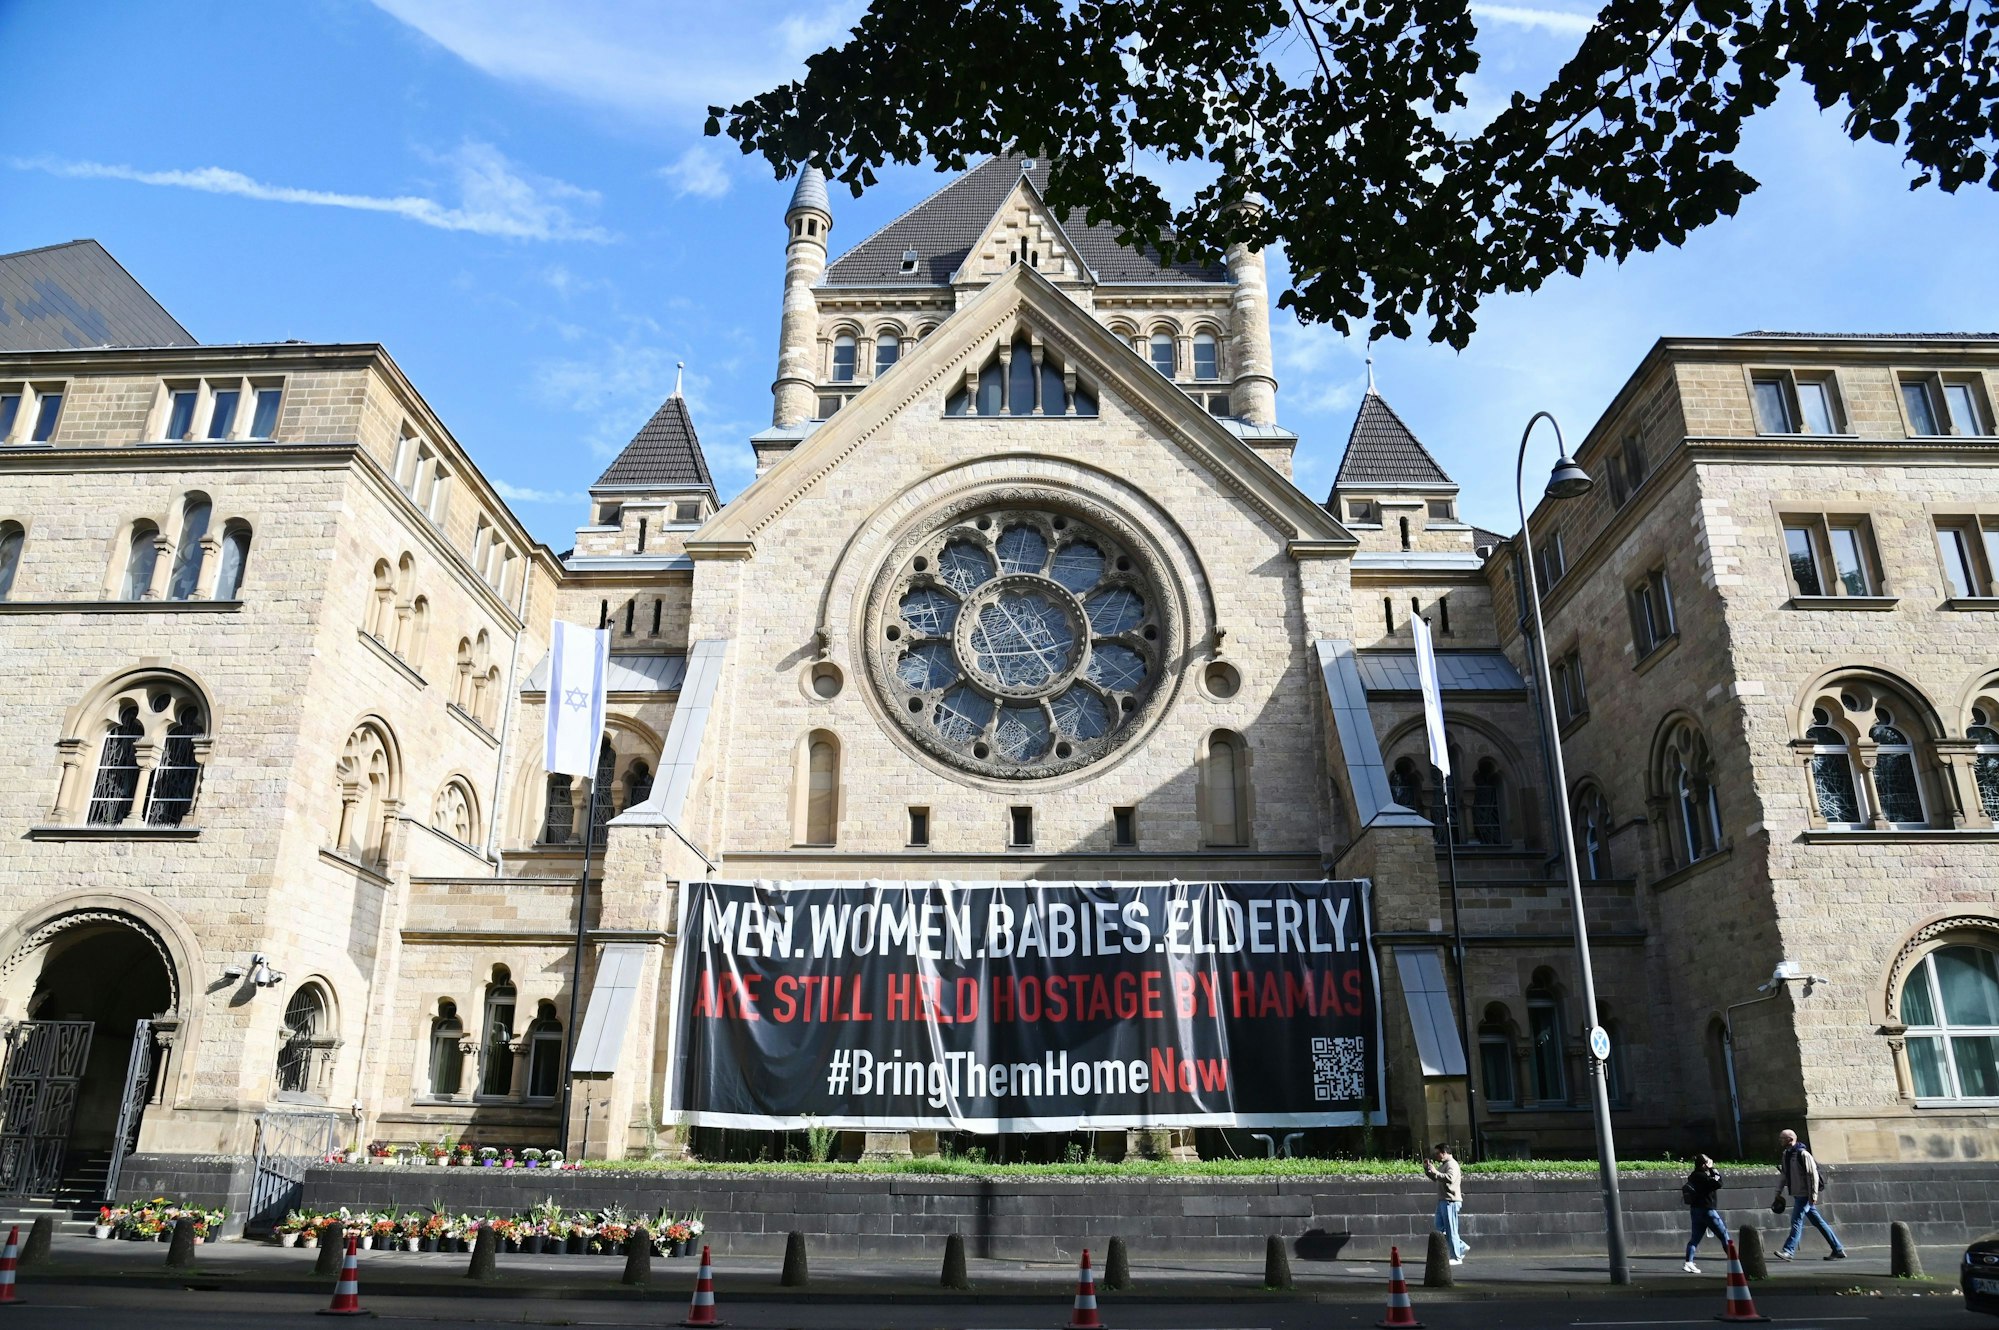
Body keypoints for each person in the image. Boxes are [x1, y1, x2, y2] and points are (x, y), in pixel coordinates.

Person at [1773, 1128, 1847, 1261]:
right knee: (1818, 1222)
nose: (1780, 1141)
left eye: (1782, 1138)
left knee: (1796, 1221)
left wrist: (1813, 1195)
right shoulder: (1786, 1154)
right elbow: (1784, 1175)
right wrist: (1778, 1192)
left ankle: (1788, 1251)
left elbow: (1812, 1175)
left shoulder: (1803, 1154)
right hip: (1797, 1193)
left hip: (1805, 1195)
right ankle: (1838, 1248)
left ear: (1790, 1139)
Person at [1422, 1142, 1469, 1265]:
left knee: (1451, 1229)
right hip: (1443, 1200)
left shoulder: (1452, 1164)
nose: (1437, 1156)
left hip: (1450, 1201)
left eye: (1438, 1153)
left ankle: (1457, 1257)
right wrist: (1428, 1170)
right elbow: (1437, 1178)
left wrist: (1435, 1172)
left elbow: (1450, 1178)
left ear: (1445, 1152)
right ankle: (1461, 1246)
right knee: (1440, 1229)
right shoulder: (1444, 1165)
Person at [1681, 1153, 1729, 1273]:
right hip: (1708, 1211)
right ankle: (1734, 1260)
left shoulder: (1693, 1176)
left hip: (1696, 1210)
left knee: (1695, 1239)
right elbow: (1718, 1183)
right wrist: (1712, 1168)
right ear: (1704, 1164)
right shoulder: (1703, 1177)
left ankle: (1689, 1262)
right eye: (1707, 1162)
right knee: (1724, 1235)